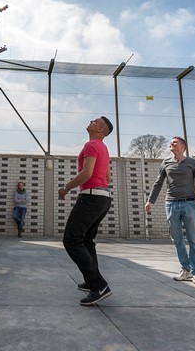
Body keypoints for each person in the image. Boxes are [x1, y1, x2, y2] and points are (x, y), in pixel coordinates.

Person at [58, 116, 114, 306]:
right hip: (103, 198)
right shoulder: (103, 148)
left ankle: (99, 285)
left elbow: (87, 173)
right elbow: (108, 178)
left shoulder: (91, 145)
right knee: (87, 241)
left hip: (91, 198)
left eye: (95, 120)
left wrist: (66, 188)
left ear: (100, 129)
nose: (91, 121)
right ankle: (92, 282)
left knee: (71, 240)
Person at [145, 136, 195, 288]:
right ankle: (186, 270)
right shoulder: (165, 162)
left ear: (183, 146)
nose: (171, 144)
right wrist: (150, 201)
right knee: (177, 239)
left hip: (189, 204)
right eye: (171, 142)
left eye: (175, 142)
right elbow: (158, 183)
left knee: (193, 240)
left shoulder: (192, 162)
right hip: (171, 204)